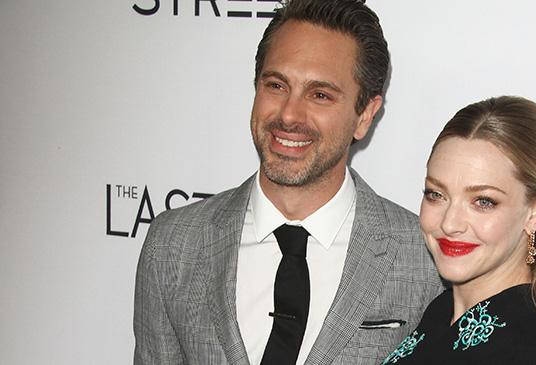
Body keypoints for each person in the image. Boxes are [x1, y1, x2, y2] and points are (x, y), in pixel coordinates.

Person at [133, 1, 444, 364]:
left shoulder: (425, 259)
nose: (289, 114)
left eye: (320, 95)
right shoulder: (174, 244)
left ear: (365, 115)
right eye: (277, 85)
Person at [382, 96, 536, 365]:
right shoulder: (441, 312)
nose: (450, 223)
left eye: (483, 201)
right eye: (436, 194)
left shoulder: (533, 352)